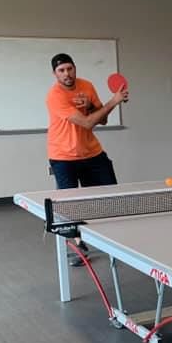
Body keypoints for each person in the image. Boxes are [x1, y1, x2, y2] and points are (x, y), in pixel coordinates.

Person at [46, 53, 128, 265]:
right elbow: (87, 123)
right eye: (61, 70)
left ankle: (112, 240)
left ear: (75, 68)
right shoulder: (55, 96)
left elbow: (103, 119)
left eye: (69, 68)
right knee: (72, 205)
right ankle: (77, 245)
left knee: (111, 196)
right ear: (55, 74)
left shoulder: (87, 85)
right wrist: (114, 101)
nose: (67, 73)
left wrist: (94, 106)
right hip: (63, 157)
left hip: (92, 153)